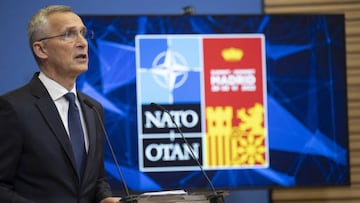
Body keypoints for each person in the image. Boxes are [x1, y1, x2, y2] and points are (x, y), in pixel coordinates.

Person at [0, 5, 121, 203]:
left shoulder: (93, 109)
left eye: (83, 33)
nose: (83, 43)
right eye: (68, 34)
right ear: (41, 49)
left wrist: (105, 198)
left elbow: (97, 179)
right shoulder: (13, 108)